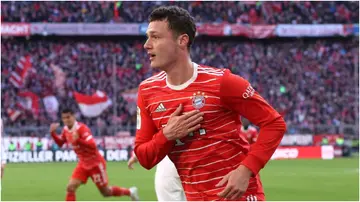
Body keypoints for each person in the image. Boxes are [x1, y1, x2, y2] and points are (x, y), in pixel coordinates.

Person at [134, 6, 286, 201]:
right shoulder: (147, 91)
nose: (147, 45)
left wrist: (246, 170)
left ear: (182, 40)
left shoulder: (223, 82)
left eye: (155, 37)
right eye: (148, 37)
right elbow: (144, 158)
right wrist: (167, 135)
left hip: (239, 197)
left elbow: (274, 123)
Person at [50, 108, 139, 201]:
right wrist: (53, 133)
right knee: (70, 187)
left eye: (68, 117)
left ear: (73, 116)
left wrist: (79, 140)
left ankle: (130, 192)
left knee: (105, 192)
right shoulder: (65, 130)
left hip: (95, 163)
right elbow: (61, 143)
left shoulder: (82, 129)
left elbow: (93, 146)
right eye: (64, 118)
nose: (66, 120)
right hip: (83, 164)